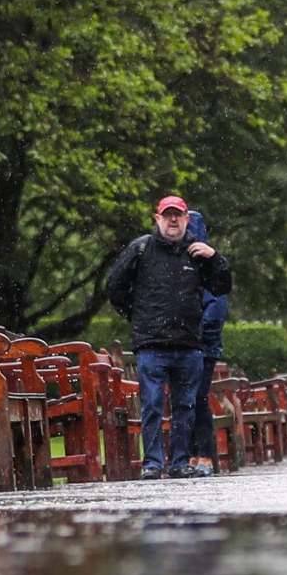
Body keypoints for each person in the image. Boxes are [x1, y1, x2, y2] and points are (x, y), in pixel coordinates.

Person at [105, 193, 231, 479]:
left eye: (178, 215)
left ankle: (179, 462)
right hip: (151, 344)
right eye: (168, 215)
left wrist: (216, 258)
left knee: (185, 406)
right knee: (151, 404)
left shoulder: (198, 253)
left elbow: (222, 287)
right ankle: (151, 463)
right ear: (157, 218)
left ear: (187, 219)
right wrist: (137, 316)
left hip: (188, 344)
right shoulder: (141, 248)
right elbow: (115, 286)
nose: (173, 220)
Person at [184, 207, 230, 476]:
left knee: (197, 398)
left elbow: (216, 310)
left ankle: (205, 456)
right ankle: (192, 455)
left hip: (202, 347)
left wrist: (197, 337)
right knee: (187, 400)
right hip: (188, 345)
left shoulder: (210, 266)